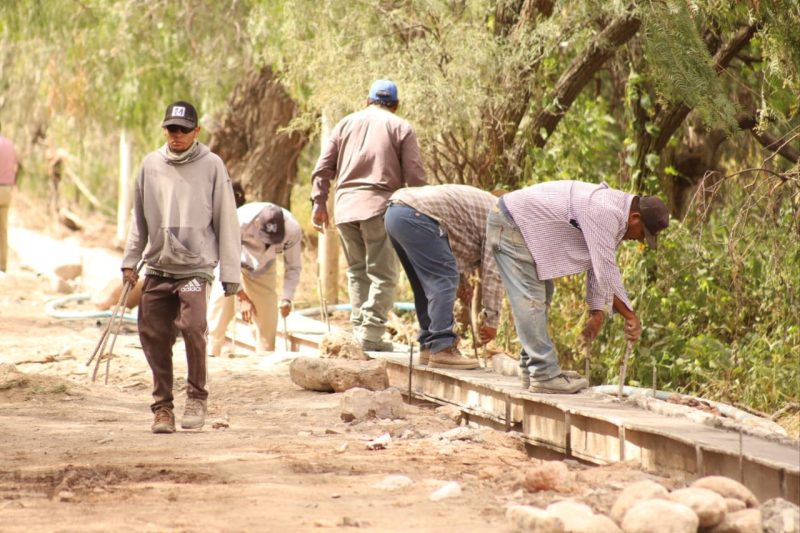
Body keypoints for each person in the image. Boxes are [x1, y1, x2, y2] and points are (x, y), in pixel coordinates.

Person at [121, 101, 241, 434]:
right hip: (158, 266)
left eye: (183, 130)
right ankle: (162, 408)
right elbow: (139, 221)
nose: (177, 136)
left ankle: (197, 397)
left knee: (192, 326)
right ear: (165, 130)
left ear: (196, 132)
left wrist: (231, 273)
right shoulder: (150, 165)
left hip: (194, 269)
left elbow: (227, 220)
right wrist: (130, 261)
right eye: (172, 129)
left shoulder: (212, 166)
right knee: (154, 335)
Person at [486, 180, 669, 394]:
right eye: (642, 234)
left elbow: (596, 262)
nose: (639, 239)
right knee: (531, 300)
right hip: (511, 223)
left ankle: (533, 369)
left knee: (542, 295)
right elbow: (605, 271)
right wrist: (630, 316)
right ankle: (544, 373)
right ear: (635, 218)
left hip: (519, 225)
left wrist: (597, 312)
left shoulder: (615, 213)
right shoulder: (605, 212)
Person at [310, 79, 426, 351]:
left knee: (357, 272)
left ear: (367, 101)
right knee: (383, 274)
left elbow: (323, 167)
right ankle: (370, 334)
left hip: (345, 209)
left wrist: (319, 203)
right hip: (379, 207)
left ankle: (361, 331)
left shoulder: (345, 124)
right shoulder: (401, 127)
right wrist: (425, 207)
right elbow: (415, 176)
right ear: (396, 105)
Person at [385, 184, 503, 369]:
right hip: (417, 215)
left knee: (424, 285)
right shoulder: (503, 220)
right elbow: (493, 271)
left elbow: (451, 241)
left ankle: (428, 345)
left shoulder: (490, 206)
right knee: (443, 280)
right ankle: (442, 348)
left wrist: (462, 280)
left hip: (396, 213)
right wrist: (491, 320)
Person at [207, 200, 303, 355]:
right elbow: (224, 261)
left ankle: (265, 355)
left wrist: (287, 298)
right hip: (234, 261)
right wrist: (242, 296)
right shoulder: (237, 221)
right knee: (221, 304)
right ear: (257, 224)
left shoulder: (293, 229)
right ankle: (211, 352)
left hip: (264, 265)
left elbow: (293, 267)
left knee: (267, 314)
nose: (269, 242)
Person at [0, 132, 19, 272]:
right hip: (7, 189)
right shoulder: (9, 145)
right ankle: (2, 264)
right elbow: (16, 167)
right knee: (3, 229)